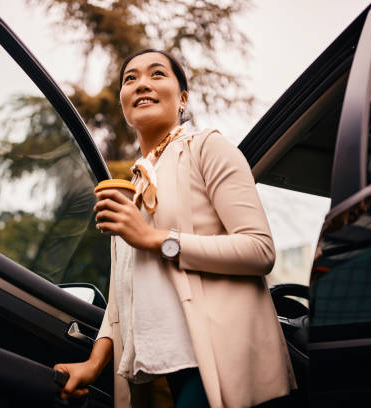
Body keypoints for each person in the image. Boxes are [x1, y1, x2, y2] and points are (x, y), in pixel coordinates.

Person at [54, 49, 296, 408]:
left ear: (183, 98)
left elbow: (260, 250)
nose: (142, 84)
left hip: (213, 363)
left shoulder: (207, 148)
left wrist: (156, 239)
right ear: (123, 102)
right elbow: (123, 298)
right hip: (151, 376)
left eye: (157, 74)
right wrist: (93, 363)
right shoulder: (131, 189)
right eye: (130, 79)